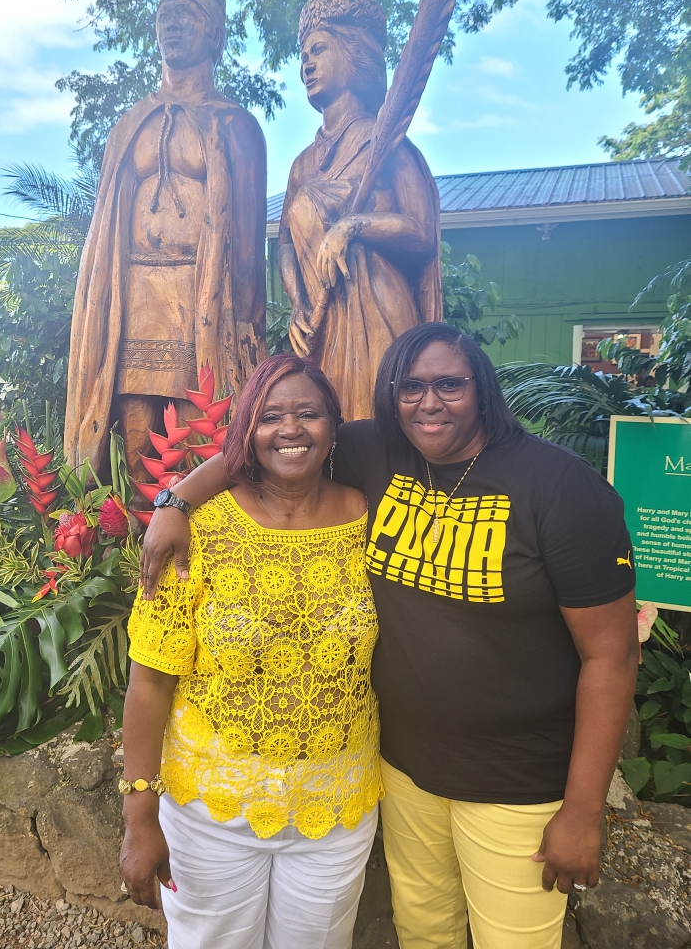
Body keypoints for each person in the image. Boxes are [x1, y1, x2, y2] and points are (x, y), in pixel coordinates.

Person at [139, 322, 638, 949]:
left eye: (450, 385)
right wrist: (177, 501)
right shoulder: (379, 451)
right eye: (412, 387)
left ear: (482, 386)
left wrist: (583, 810)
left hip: (517, 782)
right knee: (425, 934)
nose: (429, 403)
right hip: (404, 772)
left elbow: (612, 655)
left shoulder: (559, 487)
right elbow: (265, 444)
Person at [120, 354, 381, 949]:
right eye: (270, 417)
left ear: (334, 427)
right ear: (246, 434)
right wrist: (139, 815)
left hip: (336, 811)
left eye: (308, 414)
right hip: (210, 811)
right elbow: (151, 679)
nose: (290, 430)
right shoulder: (197, 527)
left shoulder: (370, 518)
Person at [64, 0, 266, 479]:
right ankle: (127, 542)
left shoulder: (236, 125)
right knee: (134, 428)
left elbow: (248, 245)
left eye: (188, 13)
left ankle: (196, 533)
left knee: (203, 424)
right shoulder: (131, 125)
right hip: (134, 292)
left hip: (202, 296)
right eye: (165, 14)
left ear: (215, 33)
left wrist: (249, 325)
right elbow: (105, 225)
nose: (173, 23)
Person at [279, 0, 442, 421]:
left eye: (318, 50)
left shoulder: (386, 144)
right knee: (330, 442)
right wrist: (297, 304)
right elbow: (284, 244)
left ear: (353, 56)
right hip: (323, 319)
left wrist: (351, 227)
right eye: (303, 55)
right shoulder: (302, 165)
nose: (306, 64)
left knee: (381, 433)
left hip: (379, 311)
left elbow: (422, 233)